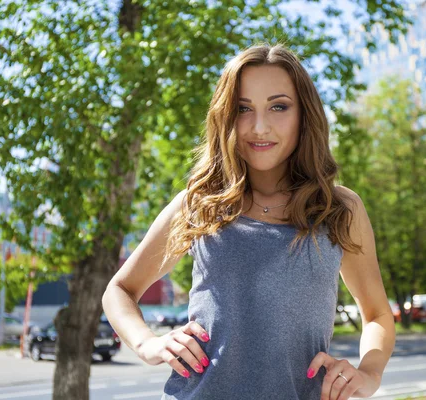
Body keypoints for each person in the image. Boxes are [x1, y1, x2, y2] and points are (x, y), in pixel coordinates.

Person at [102, 43, 395, 400]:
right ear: (226, 116)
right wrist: (148, 344)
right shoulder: (198, 205)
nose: (259, 126)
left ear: (305, 114)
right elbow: (119, 290)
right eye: (243, 109)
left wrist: (369, 373)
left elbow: (377, 313)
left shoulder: (338, 210)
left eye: (278, 106)